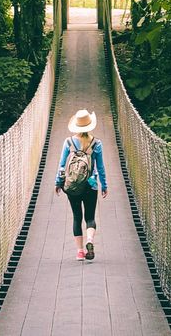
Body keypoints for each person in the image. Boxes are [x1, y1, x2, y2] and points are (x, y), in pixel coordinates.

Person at [55, 109, 108, 261]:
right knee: (90, 217)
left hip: (72, 186)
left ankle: (79, 252)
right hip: (91, 185)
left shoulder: (68, 142)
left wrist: (58, 183)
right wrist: (104, 185)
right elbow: (101, 167)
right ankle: (90, 241)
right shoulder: (96, 143)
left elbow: (62, 166)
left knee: (77, 217)